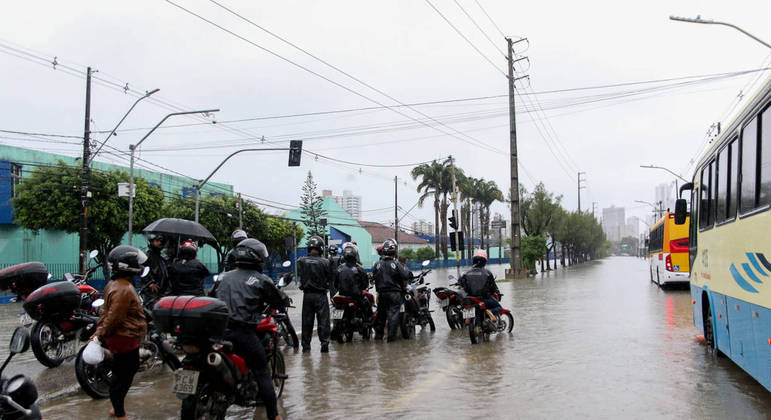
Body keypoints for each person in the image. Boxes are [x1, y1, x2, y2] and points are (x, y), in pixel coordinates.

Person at [215, 238, 285, 420]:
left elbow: (212, 298)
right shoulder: (261, 280)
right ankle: (274, 415)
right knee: (263, 371)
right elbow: (278, 300)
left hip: (217, 333)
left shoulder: (223, 277)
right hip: (243, 333)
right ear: (258, 257)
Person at [92, 245, 148, 420]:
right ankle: (119, 413)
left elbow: (105, 313)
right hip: (124, 338)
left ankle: (117, 408)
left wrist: (98, 332)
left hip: (123, 338)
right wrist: (99, 334)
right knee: (123, 376)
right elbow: (114, 317)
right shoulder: (123, 289)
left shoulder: (115, 284)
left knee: (123, 373)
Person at [296, 235, 334, 353]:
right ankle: (324, 344)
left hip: (307, 295)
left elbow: (299, 276)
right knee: (323, 321)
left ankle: (306, 347)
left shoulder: (301, 261)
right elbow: (331, 279)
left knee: (307, 322)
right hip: (321, 295)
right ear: (321, 248)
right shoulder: (326, 262)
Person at [372, 239, 412, 342]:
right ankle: (391, 339)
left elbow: (374, 278)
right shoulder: (396, 263)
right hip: (394, 294)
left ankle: (378, 338)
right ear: (394, 251)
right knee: (393, 315)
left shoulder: (377, 264)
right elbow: (405, 275)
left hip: (381, 294)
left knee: (381, 315)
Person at [459, 249, 501, 326]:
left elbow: (461, 283)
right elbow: (493, 287)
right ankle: (488, 311)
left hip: (470, 298)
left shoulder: (466, 272)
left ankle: (468, 317)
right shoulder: (487, 273)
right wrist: (496, 293)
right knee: (498, 307)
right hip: (484, 298)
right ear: (484, 261)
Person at [335, 242, 371, 319]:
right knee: (367, 307)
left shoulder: (339, 268)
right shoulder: (360, 268)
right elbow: (365, 285)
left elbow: (335, 284)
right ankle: (367, 322)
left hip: (342, 296)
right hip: (357, 297)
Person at [142, 233, 168, 299]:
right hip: (151, 292)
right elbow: (142, 269)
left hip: (160, 291)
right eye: (157, 241)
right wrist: (149, 283)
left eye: (160, 241)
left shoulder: (160, 257)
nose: (159, 243)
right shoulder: (148, 256)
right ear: (151, 242)